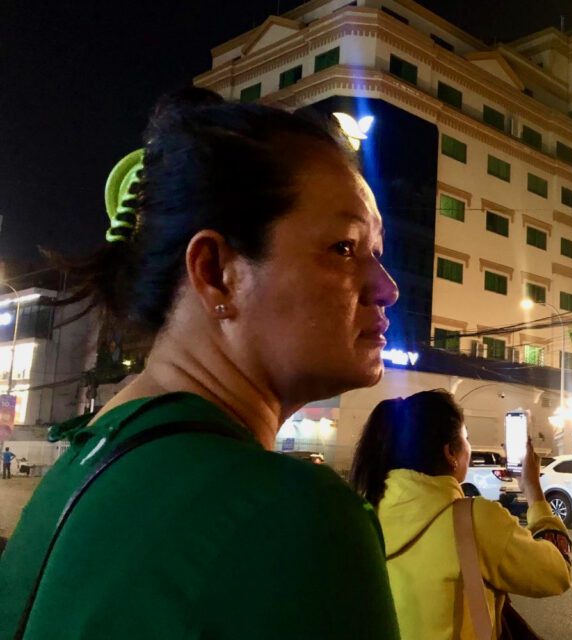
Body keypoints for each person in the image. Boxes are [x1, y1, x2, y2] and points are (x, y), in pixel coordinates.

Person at [0, 88, 401, 638]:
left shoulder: (79, 467)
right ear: (215, 272)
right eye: (345, 248)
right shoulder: (288, 516)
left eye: (376, 253)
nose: (386, 289)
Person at [350, 390, 572, 639]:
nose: (469, 446)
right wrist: (533, 490)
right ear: (450, 453)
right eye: (466, 438)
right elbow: (556, 574)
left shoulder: (364, 514)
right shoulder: (475, 519)